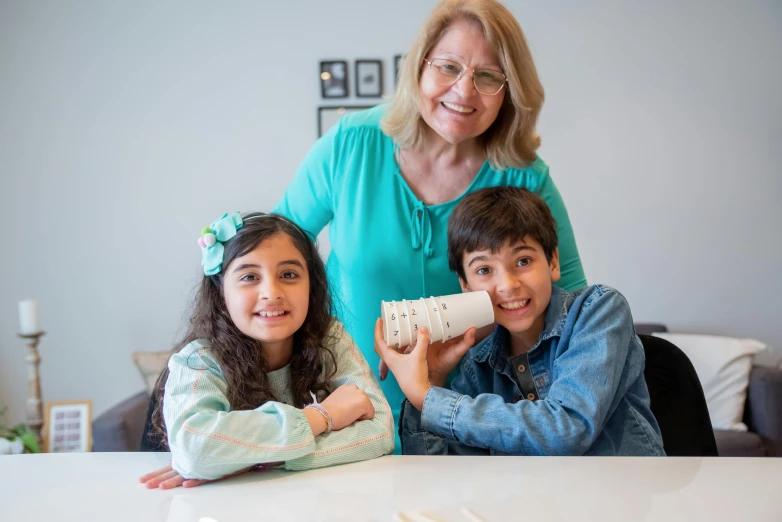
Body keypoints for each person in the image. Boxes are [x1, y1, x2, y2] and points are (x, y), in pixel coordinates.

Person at [274, 0, 587, 445]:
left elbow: (570, 307)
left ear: (509, 90)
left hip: (477, 421)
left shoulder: (524, 176)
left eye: (488, 76)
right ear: (419, 67)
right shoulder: (350, 147)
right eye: (448, 67)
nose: (464, 92)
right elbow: (272, 259)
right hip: (346, 411)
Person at [375, 187, 665, 456]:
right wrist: (433, 383)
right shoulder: (477, 363)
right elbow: (440, 477)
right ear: (465, 285)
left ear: (553, 262)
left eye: (523, 261)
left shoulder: (598, 311)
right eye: (484, 269)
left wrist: (429, 400)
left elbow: (569, 428)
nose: (508, 284)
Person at [139, 212, 394, 489]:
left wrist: (254, 460)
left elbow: (380, 430)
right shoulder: (198, 361)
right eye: (249, 276)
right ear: (221, 291)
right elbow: (195, 450)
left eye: (289, 274)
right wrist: (321, 417)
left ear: (312, 286)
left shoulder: (328, 338)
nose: (271, 292)